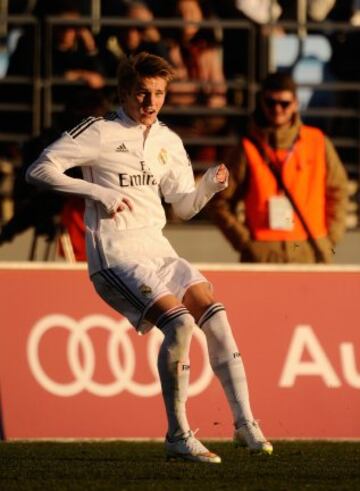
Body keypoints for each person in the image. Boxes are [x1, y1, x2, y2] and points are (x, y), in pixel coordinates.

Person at [26, 52, 273, 462]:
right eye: (142, 93)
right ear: (124, 92)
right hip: (116, 254)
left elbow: (183, 206)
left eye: (158, 93)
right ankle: (178, 435)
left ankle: (246, 423)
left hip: (157, 249)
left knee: (216, 314)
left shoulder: (167, 141)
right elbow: (39, 170)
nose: (150, 102)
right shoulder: (100, 132)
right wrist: (98, 192)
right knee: (179, 325)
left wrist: (209, 186)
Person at [208, 72, 349, 264]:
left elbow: (339, 191)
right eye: (271, 102)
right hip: (263, 253)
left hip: (311, 251)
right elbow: (219, 202)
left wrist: (330, 238)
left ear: (296, 104)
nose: (277, 109)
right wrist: (246, 242)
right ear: (262, 103)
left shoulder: (317, 141)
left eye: (284, 103)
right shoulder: (247, 147)